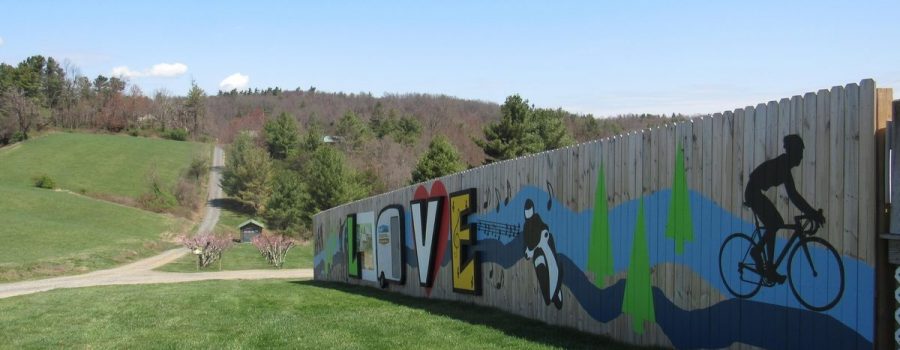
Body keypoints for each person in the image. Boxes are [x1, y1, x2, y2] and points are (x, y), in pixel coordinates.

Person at [744, 134, 825, 284]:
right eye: (800, 152)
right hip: (753, 193)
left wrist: (812, 213)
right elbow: (794, 197)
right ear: (792, 151)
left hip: (756, 191)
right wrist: (813, 214)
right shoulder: (782, 166)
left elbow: (795, 197)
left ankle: (769, 268)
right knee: (775, 224)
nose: (801, 156)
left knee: (774, 224)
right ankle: (758, 254)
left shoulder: (784, 166)